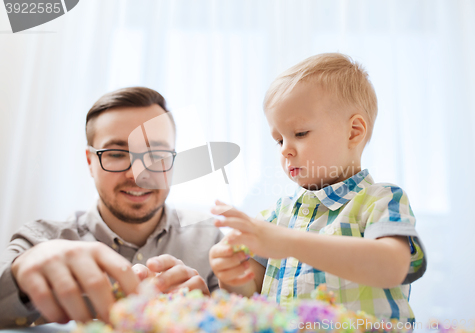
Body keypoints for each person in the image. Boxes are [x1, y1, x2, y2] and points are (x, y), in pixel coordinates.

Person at [209, 53, 426, 322]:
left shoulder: (380, 200)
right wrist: (231, 275)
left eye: (300, 133)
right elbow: (250, 297)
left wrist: (286, 242)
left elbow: (392, 266)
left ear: (353, 132)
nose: (286, 149)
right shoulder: (278, 216)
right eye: (278, 140)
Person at [0, 87, 223, 328]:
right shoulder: (40, 240)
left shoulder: (210, 239)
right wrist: (21, 274)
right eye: (116, 154)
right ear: (90, 162)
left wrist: (208, 315)